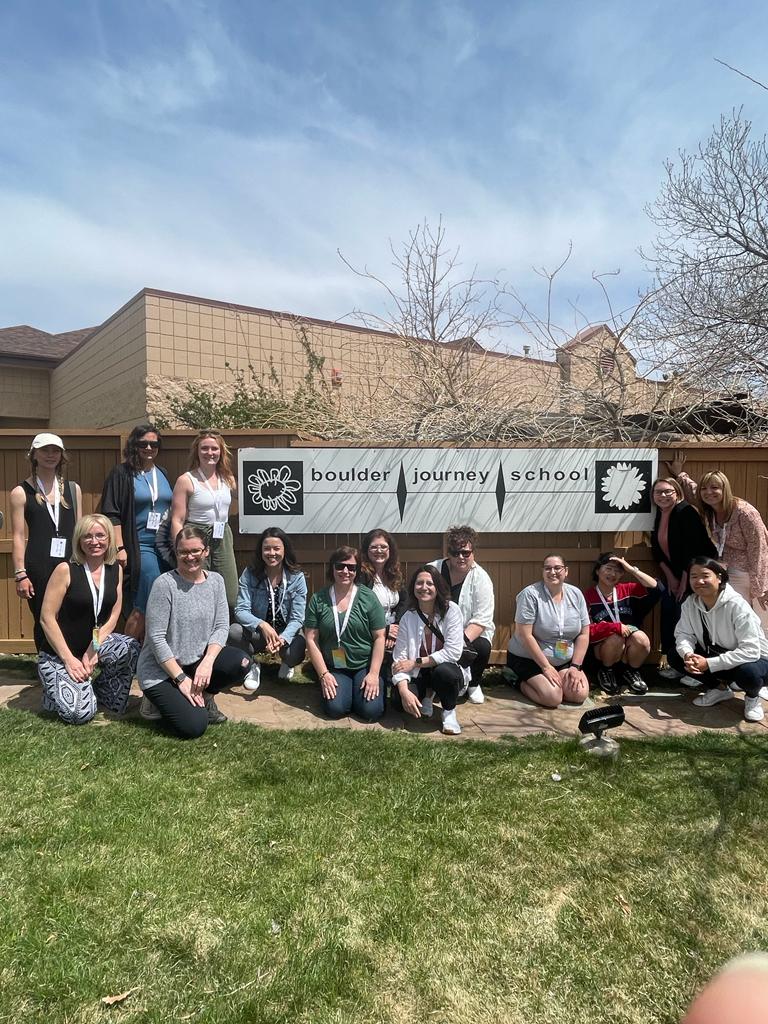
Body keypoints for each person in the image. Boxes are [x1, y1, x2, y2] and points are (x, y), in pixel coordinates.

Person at [137, 526, 251, 738]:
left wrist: (207, 662)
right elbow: (156, 638)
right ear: (176, 552)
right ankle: (152, 701)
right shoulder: (165, 585)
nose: (190, 557)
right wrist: (181, 679)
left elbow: (221, 627)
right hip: (162, 670)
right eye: (183, 552)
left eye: (195, 551)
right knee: (194, 726)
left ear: (206, 551)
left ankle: (204, 696)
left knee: (242, 662)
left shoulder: (216, 581)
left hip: (197, 663)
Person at [37, 514, 139, 725]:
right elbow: (46, 618)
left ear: (109, 539)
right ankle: (55, 688)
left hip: (92, 645)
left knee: (130, 647)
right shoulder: (65, 570)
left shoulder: (115, 570)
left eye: (100, 535)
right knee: (80, 714)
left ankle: (101, 691)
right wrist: (69, 659)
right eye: (88, 536)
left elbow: (112, 616)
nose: (95, 542)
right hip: (59, 654)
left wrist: (93, 649)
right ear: (79, 540)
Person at [667, 454, 768, 626]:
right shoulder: (711, 510)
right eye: (705, 488)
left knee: (752, 620)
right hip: (725, 569)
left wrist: (761, 588)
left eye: (714, 488)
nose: (709, 492)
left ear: (725, 489)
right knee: (730, 619)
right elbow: (693, 492)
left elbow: (759, 549)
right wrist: (680, 475)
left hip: (747, 573)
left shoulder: (745, 513)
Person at [100, 424, 173, 641]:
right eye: (143, 444)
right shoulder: (122, 473)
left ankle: (150, 652)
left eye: (154, 443)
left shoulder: (163, 473)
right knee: (146, 596)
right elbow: (111, 513)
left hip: (165, 547)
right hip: (138, 545)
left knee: (163, 598)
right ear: (134, 445)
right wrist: (120, 547)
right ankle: (127, 655)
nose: (149, 448)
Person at [672, 556, 767, 722]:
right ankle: (719, 689)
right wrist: (688, 654)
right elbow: (683, 634)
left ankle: (752, 698)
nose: (699, 581)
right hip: (721, 655)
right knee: (676, 655)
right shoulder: (690, 603)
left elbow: (751, 651)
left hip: (757, 660)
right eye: (694, 576)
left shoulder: (737, 605)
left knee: (748, 674)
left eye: (705, 575)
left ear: (719, 577)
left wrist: (709, 664)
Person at [10, 433, 82, 650]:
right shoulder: (21, 492)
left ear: (62, 455)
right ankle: (47, 670)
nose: (50, 455)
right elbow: (18, 536)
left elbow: (80, 531)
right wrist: (20, 573)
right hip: (39, 566)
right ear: (34, 455)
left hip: (71, 564)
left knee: (71, 616)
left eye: (55, 451)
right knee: (44, 618)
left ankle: (72, 668)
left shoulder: (72, 489)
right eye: (45, 450)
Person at [304, 545, 386, 721]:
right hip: (335, 666)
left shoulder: (368, 598)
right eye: (340, 566)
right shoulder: (318, 599)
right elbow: (311, 639)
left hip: (364, 665)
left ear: (357, 570)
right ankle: (338, 689)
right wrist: (324, 675)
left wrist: (373, 674)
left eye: (351, 567)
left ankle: (366, 689)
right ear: (332, 568)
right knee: (335, 709)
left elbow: (380, 637)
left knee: (371, 712)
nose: (345, 571)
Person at [650, 476, 717, 679]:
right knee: (670, 614)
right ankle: (675, 663)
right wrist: (671, 577)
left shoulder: (685, 512)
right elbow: (657, 550)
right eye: (658, 492)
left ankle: (695, 668)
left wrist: (687, 579)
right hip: (676, 576)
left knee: (689, 620)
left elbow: (696, 549)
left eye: (667, 491)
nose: (663, 495)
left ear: (677, 493)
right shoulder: (661, 515)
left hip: (696, 576)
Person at [507, 553, 590, 709]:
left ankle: (557, 681)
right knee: (552, 698)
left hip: (563, 658)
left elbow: (584, 634)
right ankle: (513, 678)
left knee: (579, 694)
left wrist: (575, 667)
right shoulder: (530, 595)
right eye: (547, 568)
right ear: (543, 571)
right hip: (529, 659)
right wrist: (546, 667)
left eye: (557, 568)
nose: (552, 572)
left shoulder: (576, 594)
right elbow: (525, 635)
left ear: (566, 571)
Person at [229, 526, 307, 692]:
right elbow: (241, 610)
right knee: (233, 632)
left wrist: (283, 638)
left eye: (276, 548)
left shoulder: (297, 577)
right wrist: (262, 625)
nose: (272, 553)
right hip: (259, 632)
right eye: (267, 549)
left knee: (299, 645)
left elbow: (298, 618)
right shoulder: (249, 574)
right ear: (261, 551)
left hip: (284, 633)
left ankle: (287, 662)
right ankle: (252, 665)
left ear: (285, 550)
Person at [391, 565, 467, 735]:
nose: (424, 587)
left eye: (429, 583)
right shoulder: (408, 618)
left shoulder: (451, 611)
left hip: (446, 671)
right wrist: (404, 691)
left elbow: (453, 652)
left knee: (444, 672)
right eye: (419, 583)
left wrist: (416, 662)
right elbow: (399, 660)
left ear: (438, 587)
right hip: (420, 674)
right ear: (413, 588)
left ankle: (448, 712)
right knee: (397, 701)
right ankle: (426, 695)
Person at [170, 430, 238, 608]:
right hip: (196, 535)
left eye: (214, 448)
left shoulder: (228, 479)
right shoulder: (186, 480)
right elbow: (177, 519)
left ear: (221, 451)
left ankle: (223, 630)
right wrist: (180, 550)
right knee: (197, 588)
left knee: (230, 594)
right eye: (205, 448)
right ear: (197, 451)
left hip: (222, 534)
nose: (210, 453)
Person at [429, 525, 495, 704]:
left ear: (473, 553)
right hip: (435, 631)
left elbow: (482, 620)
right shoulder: (433, 570)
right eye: (455, 552)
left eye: (466, 553)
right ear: (448, 552)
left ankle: (473, 683)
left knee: (482, 645)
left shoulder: (482, 578)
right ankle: (435, 685)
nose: (460, 557)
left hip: (467, 635)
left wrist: (456, 642)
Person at [583, 553, 661, 695]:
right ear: (597, 571)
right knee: (615, 637)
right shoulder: (587, 596)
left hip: (628, 650)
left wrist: (632, 570)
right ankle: (606, 672)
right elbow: (587, 630)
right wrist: (614, 627)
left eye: (618, 571)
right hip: (603, 650)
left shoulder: (628, 589)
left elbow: (657, 589)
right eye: (608, 568)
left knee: (642, 638)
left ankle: (631, 672)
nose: (613, 574)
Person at [359, 528, 407, 672]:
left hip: (393, 629)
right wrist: (385, 630)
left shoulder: (394, 573)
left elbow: (405, 602)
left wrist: (396, 627)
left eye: (383, 547)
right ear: (366, 551)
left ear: (390, 550)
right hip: (369, 631)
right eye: (373, 547)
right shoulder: (361, 576)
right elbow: (359, 611)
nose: (379, 550)